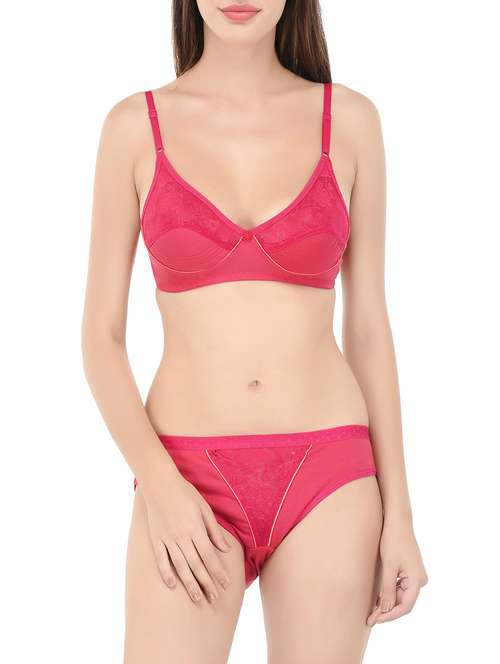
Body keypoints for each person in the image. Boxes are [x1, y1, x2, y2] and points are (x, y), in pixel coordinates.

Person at [81, 1, 427, 661]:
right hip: (186, 474)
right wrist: (159, 485)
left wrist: (400, 517)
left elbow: (368, 327)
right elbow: (101, 338)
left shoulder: (350, 120)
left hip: (330, 476)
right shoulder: (135, 126)